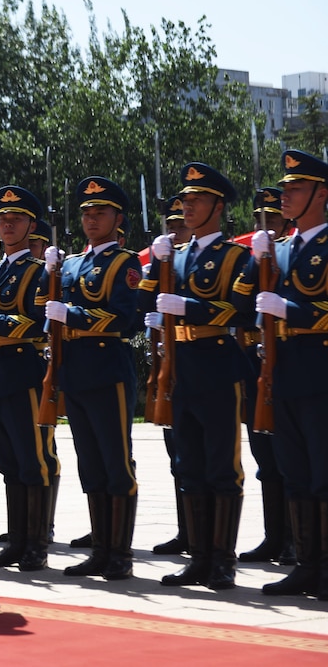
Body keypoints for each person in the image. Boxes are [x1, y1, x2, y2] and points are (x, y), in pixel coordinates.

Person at [141, 163, 251, 590]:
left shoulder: (234, 257)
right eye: (184, 201)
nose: (187, 207)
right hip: (180, 368)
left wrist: (190, 308)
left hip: (217, 364)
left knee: (222, 465)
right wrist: (154, 269)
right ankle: (199, 558)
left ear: (218, 207)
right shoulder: (175, 255)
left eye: (196, 200)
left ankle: (223, 560)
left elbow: (240, 312)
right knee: (188, 465)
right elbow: (140, 304)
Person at [233, 149, 328, 600]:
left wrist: (293, 311)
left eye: (296, 188)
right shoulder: (280, 248)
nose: (285, 196)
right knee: (294, 471)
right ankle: (307, 564)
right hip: (281, 372)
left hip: (321, 373)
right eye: (285, 188)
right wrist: (256, 263)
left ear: (321, 193)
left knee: (324, 472)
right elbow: (240, 303)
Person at [42, 176, 141, 581]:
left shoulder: (125, 263)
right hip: (77, 371)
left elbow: (126, 318)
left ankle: (120, 553)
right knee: (91, 464)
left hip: (108, 369)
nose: (91, 218)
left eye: (100, 212)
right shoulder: (70, 265)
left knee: (117, 462)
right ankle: (100, 548)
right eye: (86, 212)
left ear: (118, 218)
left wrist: (75, 316)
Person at [0, 186, 58, 572]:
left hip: (23, 374)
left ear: (30, 225)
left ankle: (36, 544)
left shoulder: (38, 272)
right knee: (8, 462)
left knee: (32, 460)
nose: (7, 225)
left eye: (16, 219)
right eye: (3, 219)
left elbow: (38, 325)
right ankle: (16, 541)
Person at [237, 188, 295, 566]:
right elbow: (238, 304)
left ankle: (299, 541)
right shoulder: (255, 258)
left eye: (272, 220)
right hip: (253, 368)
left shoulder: (294, 255)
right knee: (265, 460)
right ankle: (274, 537)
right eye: (260, 221)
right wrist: (254, 262)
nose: (266, 228)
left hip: (289, 365)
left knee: (293, 460)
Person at [150, 194, 195, 557]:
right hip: (170, 369)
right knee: (178, 458)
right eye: (170, 226)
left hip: (202, 363)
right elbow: (139, 304)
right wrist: (153, 265)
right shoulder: (167, 262)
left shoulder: (199, 261)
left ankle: (207, 544)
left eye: (180, 224)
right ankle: (186, 531)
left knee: (207, 459)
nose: (175, 231)